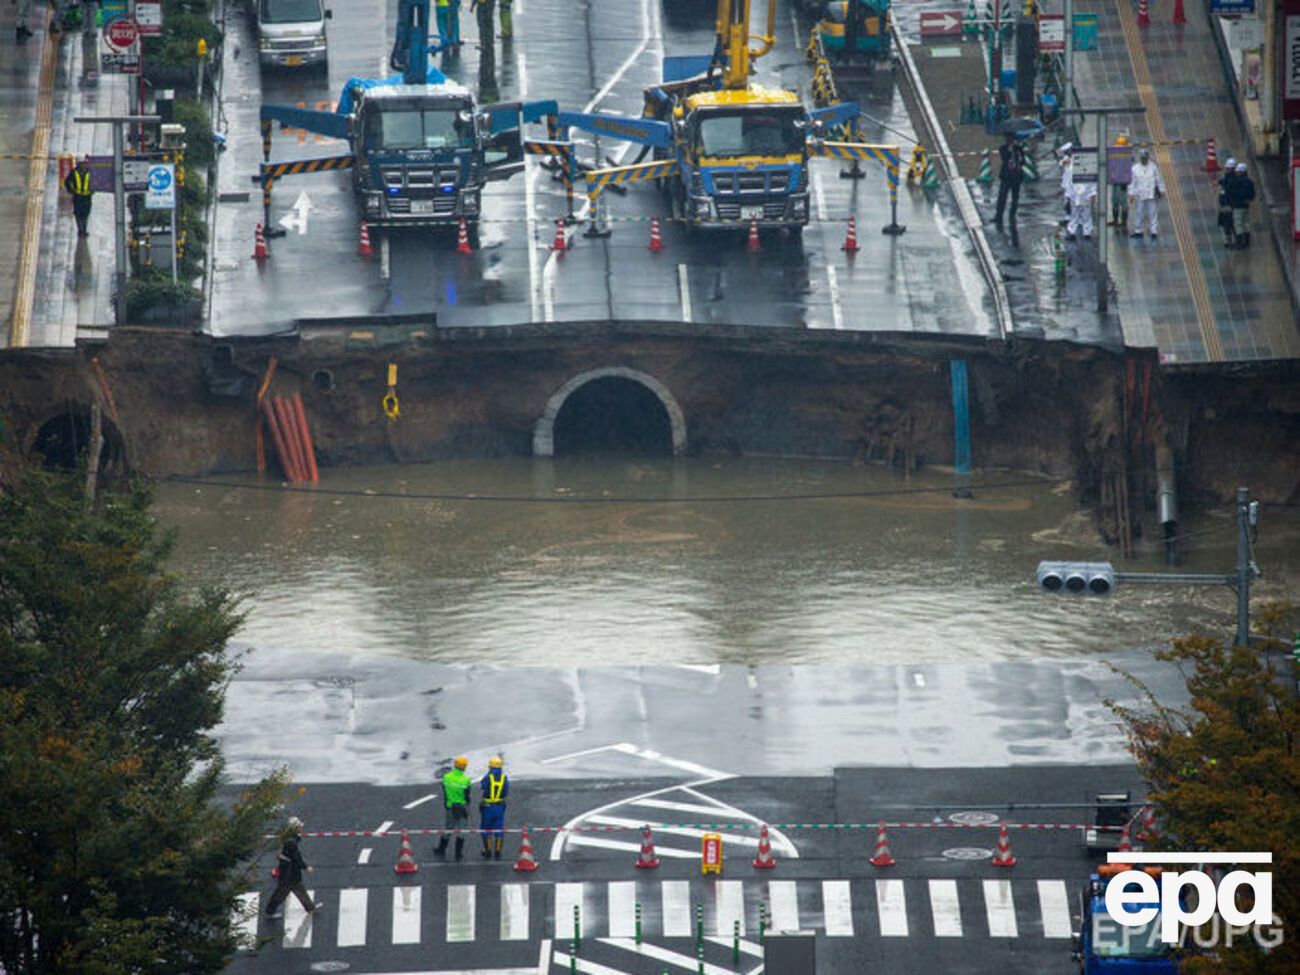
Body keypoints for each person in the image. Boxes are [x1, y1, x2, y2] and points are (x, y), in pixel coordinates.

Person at [265, 817, 320, 919]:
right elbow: (296, 858)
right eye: (299, 827)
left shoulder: (290, 839)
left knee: (300, 889)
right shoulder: (291, 842)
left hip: (289, 871)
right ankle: (270, 911)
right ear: (295, 828)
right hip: (289, 873)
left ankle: (310, 907)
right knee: (282, 893)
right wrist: (306, 867)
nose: (301, 829)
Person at [434, 756, 473, 860]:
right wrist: (468, 809)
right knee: (462, 830)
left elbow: (445, 792)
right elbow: (467, 796)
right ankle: (458, 853)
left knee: (448, 828)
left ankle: (441, 849)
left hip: (450, 806)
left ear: (455, 765)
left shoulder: (446, 777)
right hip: (462, 808)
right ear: (464, 767)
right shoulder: (466, 780)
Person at [1127, 147, 1164, 239]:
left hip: (1151, 194)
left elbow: (1158, 179)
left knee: (1152, 212)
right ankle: (1138, 230)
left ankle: (1153, 231)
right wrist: (1131, 194)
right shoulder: (1135, 169)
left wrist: (1161, 190)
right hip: (1140, 194)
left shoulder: (1153, 167)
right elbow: (1132, 182)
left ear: (1148, 157)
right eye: (1142, 158)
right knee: (1139, 212)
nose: (1144, 160)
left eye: (1145, 158)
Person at [479, 754, 509, 859]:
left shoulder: (488, 777)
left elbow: (482, 786)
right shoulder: (504, 777)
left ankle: (488, 850)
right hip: (499, 806)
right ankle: (498, 851)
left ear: (490, 766)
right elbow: (506, 791)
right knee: (499, 828)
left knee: (486, 828)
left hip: (487, 807)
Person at [993, 133, 1024, 230]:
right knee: (1002, 197)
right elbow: (1004, 158)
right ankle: (998, 215)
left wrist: (1019, 157)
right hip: (1006, 177)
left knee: (1015, 198)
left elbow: (1023, 161)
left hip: (1016, 176)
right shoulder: (1003, 148)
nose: (1010, 141)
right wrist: (1010, 151)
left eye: (1011, 139)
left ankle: (1012, 215)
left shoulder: (1018, 149)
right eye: (1008, 139)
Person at [1225, 161, 1255, 250]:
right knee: (1246, 223)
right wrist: (1248, 199)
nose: (1236, 172)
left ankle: (1239, 243)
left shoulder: (1236, 181)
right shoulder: (1249, 181)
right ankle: (1247, 242)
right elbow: (1252, 194)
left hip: (1237, 206)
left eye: (1237, 171)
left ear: (1240, 172)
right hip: (1246, 205)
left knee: (1238, 224)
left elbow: (1231, 191)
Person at [63, 156, 93, 237]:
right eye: (83, 163)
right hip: (78, 196)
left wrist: (92, 190)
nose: (84, 165)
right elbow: (67, 182)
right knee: (78, 214)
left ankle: (84, 229)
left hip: (87, 196)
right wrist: (71, 190)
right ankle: (80, 230)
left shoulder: (90, 172)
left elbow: (96, 181)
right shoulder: (74, 172)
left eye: (85, 163)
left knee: (85, 214)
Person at [1106, 135, 1132, 228]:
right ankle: (1115, 220)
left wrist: (1125, 181)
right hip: (1115, 183)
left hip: (1122, 184)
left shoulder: (1127, 157)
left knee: (1123, 203)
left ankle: (1123, 222)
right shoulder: (1115, 155)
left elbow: (1127, 170)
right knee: (1114, 201)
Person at [1066, 175, 1096, 241]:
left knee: (1086, 215)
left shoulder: (1088, 174)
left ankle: (1086, 232)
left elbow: (1092, 184)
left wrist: (1093, 195)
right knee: (1074, 215)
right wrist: (1068, 196)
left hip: (1085, 196)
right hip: (1075, 196)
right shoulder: (1073, 173)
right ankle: (1073, 232)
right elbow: (1069, 184)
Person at [1216, 157, 1238, 247]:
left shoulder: (1232, 179)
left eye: (1228, 168)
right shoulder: (1229, 178)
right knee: (1229, 223)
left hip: (1228, 204)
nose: (1226, 169)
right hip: (1226, 204)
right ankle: (1231, 239)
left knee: (1229, 223)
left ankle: (1231, 240)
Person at [1057, 143, 1074, 226]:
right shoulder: (1066, 158)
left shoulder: (1077, 157)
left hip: (1076, 185)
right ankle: (1068, 218)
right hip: (1068, 185)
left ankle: (1073, 218)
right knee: (1067, 202)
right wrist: (1065, 161)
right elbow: (1061, 163)